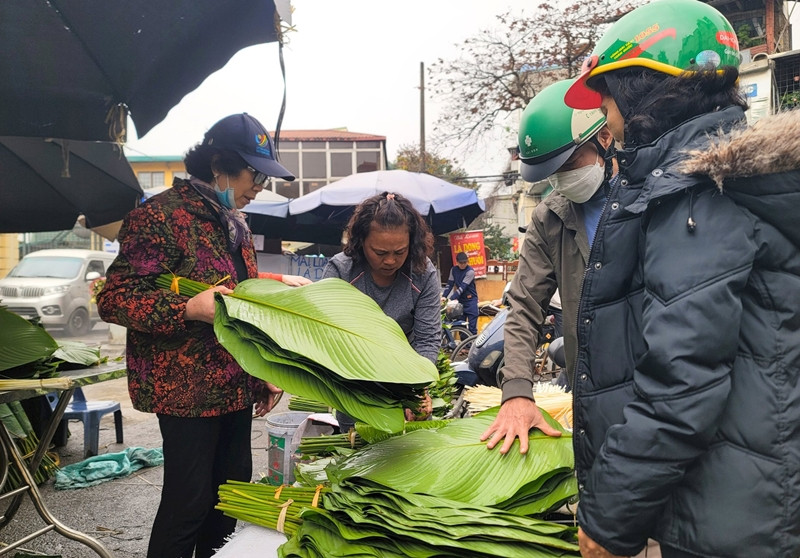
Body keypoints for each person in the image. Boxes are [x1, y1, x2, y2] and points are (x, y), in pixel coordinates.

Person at [561, 0, 800, 556]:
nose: (604, 115)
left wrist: (607, 519)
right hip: (752, 492)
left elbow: (680, 383)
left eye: (606, 94)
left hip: (731, 518)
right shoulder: (729, 184)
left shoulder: (699, 199)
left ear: (643, 89)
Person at [97, 112, 310, 558]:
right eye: (256, 174)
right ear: (220, 164)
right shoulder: (159, 216)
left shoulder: (232, 221)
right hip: (185, 393)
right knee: (187, 506)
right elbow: (115, 297)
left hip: (234, 385)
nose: (260, 186)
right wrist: (187, 308)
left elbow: (232, 297)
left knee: (225, 503)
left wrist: (263, 370)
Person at [480, 78, 617, 453]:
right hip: (588, 386)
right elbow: (525, 307)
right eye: (553, 171)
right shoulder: (549, 218)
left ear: (604, 137)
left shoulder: (642, 196)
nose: (564, 178)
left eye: (571, 163)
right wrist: (517, 392)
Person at [322, 191, 441, 424]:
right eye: (380, 252)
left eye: (400, 252)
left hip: (404, 379)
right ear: (360, 242)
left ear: (412, 244)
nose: (390, 261)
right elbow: (329, 337)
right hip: (353, 384)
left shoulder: (423, 273)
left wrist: (416, 388)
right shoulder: (341, 271)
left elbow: (427, 339)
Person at [442, 251, 479, 335]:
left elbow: (462, 288)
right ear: (457, 262)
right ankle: (464, 347)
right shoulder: (453, 270)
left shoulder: (470, 272)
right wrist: (444, 296)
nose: (463, 264)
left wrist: (450, 299)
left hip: (471, 300)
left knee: (472, 327)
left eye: (465, 262)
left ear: (467, 261)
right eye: (460, 263)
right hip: (460, 301)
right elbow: (450, 284)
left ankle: (471, 346)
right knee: (460, 325)